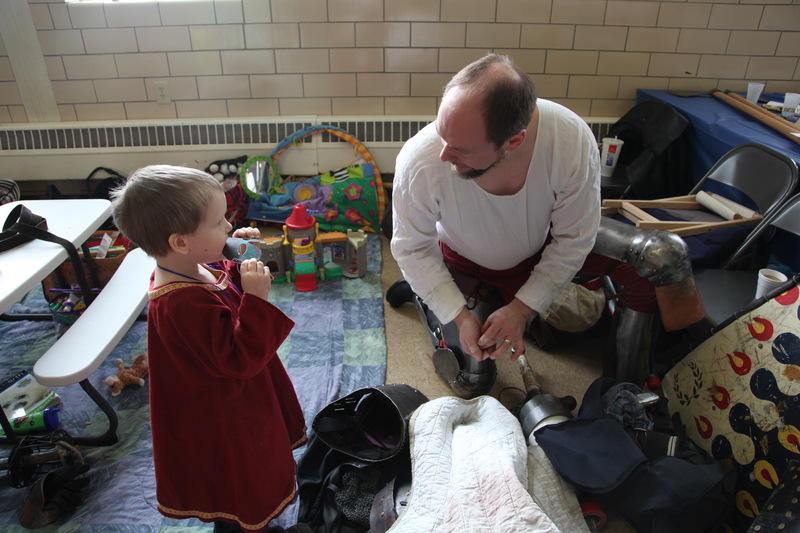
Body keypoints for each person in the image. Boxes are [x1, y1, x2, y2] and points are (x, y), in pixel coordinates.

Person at [390, 53, 656, 388]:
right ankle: (430, 296)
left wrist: (521, 309)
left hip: (539, 248)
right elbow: (412, 249)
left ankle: (627, 389)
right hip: (464, 260)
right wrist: (457, 314)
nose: (443, 154)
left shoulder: (570, 140)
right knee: (473, 379)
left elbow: (573, 238)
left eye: (462, 150)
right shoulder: (420, 160)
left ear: (515, 140)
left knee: (653, 263)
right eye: (442, 133)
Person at [110, 165, 307, 533]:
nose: (229, 227)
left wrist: (242, 253)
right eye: (219, 222)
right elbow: (238, 358)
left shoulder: (188, 265)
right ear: (181, 242)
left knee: (246, 475)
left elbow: (223, 281)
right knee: (240, 479)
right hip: (224, 415)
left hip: (229, 397)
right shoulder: (180, 303)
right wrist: (256, 301)